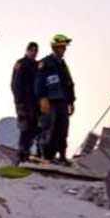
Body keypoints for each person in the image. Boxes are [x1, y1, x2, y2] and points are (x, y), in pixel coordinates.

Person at [35, 34, 76, 165]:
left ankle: (62, 156)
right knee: (47, 128)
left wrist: (71, 101)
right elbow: (39, 82)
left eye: (64, 47)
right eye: (60, 47)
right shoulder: (45, 63)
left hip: (62, 102)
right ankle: (44, 155)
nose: (63, 49)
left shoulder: (63, 65)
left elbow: (69, 83)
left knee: (62, 129)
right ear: (54, 47)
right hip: (50, 101)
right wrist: (42, 98)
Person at [11, 41, 40, 162]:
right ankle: (21, 154)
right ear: (27, 50)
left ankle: (26, 153)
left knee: (34, 129)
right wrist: (19, 102)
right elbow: (15, 84)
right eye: (31, 50)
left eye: (35, 51)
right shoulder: (21, 64)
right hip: (24, 102)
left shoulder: (37, 65)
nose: (33, 53)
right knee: (25, 128)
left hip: (35, 103)